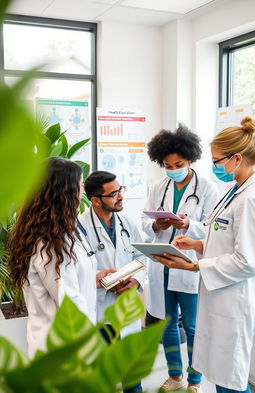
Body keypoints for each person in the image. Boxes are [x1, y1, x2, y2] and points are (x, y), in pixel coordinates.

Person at [152, 116, 255, 393]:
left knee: (231, 378)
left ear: (236, 158)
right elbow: (223, 237)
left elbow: (248, 261)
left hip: (233, 299)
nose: (215, 167)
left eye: (217, 161)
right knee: (224, 375)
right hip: (220, 295)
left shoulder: (250, 197)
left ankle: (194, 381)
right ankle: (180, 376)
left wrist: (194, 267)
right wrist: (197, 246)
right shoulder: (235, 190)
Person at [8, 157, 114, 357]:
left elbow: (63, 282)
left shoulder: (60, 232)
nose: (83, 190)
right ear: (65, 192)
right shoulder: (50, 243)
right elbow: (70, 302)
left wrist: (93, 279)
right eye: (80, 184)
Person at [141, 124, 219, 393]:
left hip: (188, 265)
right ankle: (175, 375)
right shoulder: (158, 186)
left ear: (191, 159)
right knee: (166, 321)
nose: (173, 168)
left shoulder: (208, 189)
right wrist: (155, 226)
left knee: (194, 327)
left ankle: (195, 380)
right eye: (167, 164)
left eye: (179, 163)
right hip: (161, 262)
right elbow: (144, 219)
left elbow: (212, 228)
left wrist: (188, 225)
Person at [79, 170, 146, 393]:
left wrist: (135, 281)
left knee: (133, 377)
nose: (121, 196)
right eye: (114, 193)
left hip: (127, 309)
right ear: (95, 200)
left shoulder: (127, 222)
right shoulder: (78, 228)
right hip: (99, 312)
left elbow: (142, 255)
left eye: (121, 190)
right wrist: (98, 279)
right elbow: (74, 270)